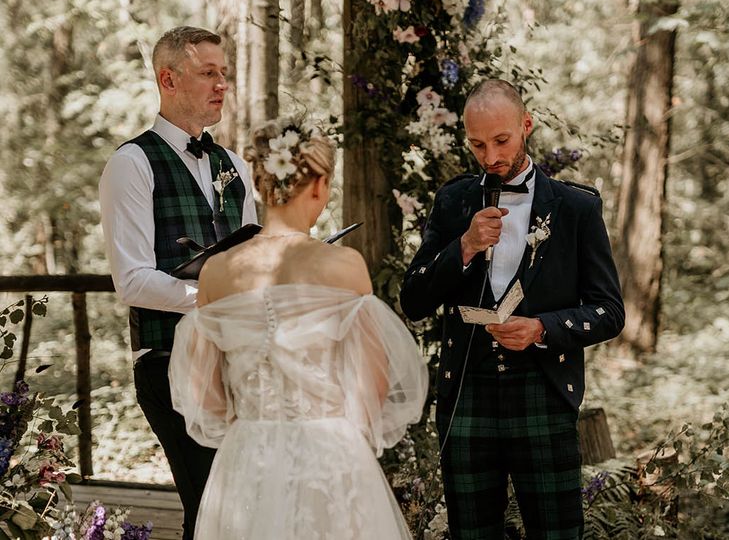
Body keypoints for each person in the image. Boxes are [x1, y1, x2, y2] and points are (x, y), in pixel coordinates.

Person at [168, 117, 428, 539]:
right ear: (320, 184)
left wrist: (253, 419)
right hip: (329, 455)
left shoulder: (216, 273)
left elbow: (206, 396)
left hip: (247, 457)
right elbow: (373, 388)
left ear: (258, 182)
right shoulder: (344, 267)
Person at [400, 79, 624, 540]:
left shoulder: (575, 208)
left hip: (542, 391)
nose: (490, 157)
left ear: (526, 126)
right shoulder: (454, 200)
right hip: (466, 394)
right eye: (478, 144)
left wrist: (542, 328)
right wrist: (462, 246)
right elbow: (414, 299)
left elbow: (609, 310)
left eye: (501, 141)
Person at [99, 26, 258, 540]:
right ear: (169, 79)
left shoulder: (232, 165)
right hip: (170, 364)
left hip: (239, 362)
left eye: (224, 74)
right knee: (211, 503)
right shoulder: (131, 164)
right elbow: (133, 281)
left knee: (241, 508)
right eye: (208, 73)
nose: (222, 85)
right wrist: (210, 299)